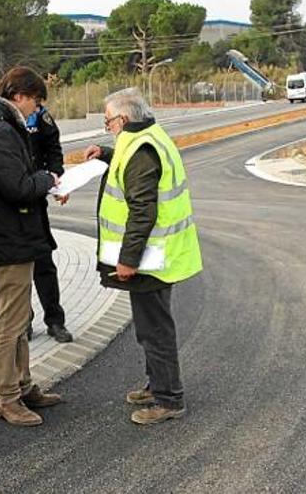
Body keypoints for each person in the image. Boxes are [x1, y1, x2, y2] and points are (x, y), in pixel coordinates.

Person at [84, 88, 202, 425]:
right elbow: (131, 166)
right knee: (151, 326)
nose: (109, 128)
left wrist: (128, 258)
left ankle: (169, 399)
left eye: (108, 123)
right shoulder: (144, 135)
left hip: (152, 258)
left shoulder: (140, 149)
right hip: (158, 254)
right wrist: (106, 154)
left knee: (155, 329)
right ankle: (157, 385)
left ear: (122, 119)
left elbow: (142, 211)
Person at [0, 66, 63, 426]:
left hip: (13, 235)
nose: (36, 112)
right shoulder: (0, 132)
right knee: (9, 321)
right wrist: (47, 179)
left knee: (19, 317)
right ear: (19, 96)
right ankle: (6, 396)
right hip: (8, 237)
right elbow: (16, 186)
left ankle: (22, 384)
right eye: (35, 103)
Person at [25, 90, 73, 343]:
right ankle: (24, 322)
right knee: (18, 271)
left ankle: (55, 321)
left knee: (44, 264)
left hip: (36, 200)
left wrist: (57, 183)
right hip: (10, 209)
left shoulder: (40, 117)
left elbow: (54, 151)